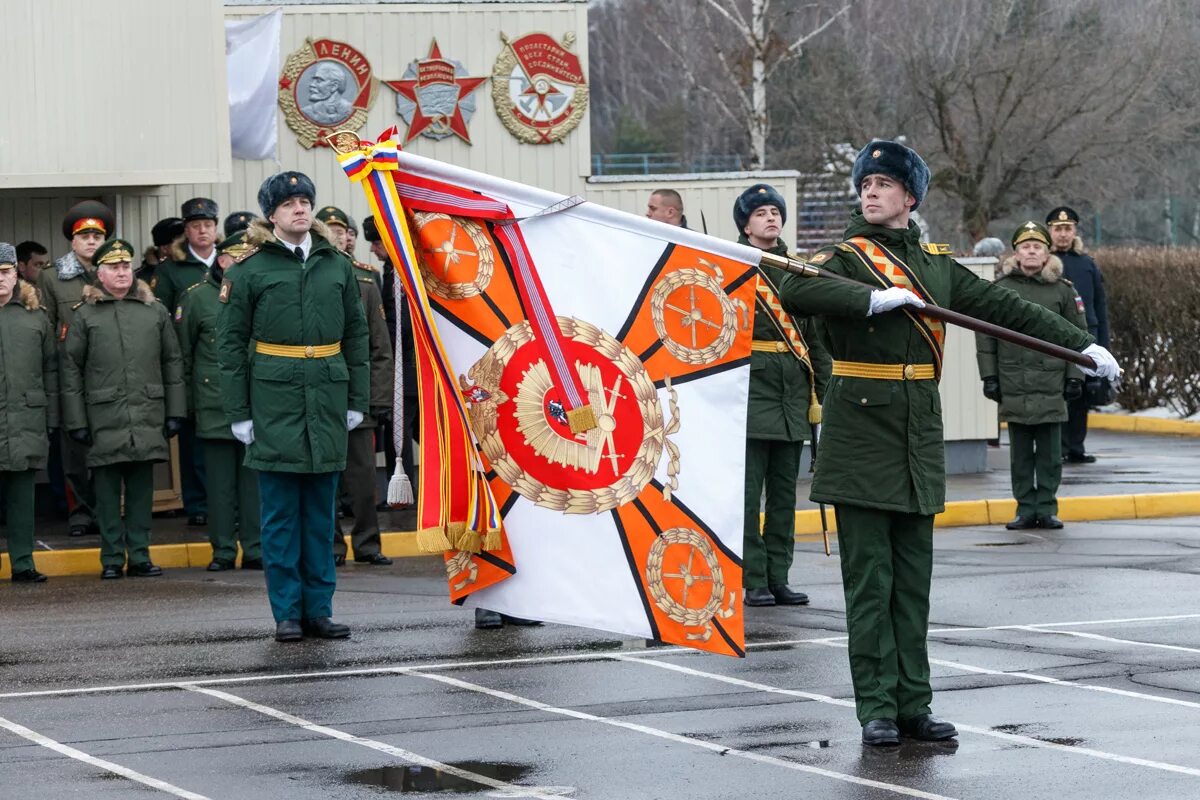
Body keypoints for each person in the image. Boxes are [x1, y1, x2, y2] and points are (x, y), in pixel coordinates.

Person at [777, 140, 1120, 746]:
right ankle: (876, 707)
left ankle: (915, 704)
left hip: (917, 431)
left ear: (910, 196)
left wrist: (1081, 345)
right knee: (869, 581)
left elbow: (1005, 306)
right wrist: (869, 299)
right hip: (860, 429)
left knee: (913, 580)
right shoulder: (846, 259)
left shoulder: (935, 266)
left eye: (884, 184)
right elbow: (792, 290)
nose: (871, 192)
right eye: (866, 184)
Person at [217, 171, 369, 642]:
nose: (300, 209)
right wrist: (240, 412)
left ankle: (319, 608)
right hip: (274, 400)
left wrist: (356, 400)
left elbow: (357, 335)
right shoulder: (249, 270)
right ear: (271, 215)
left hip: (325, 395)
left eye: (304, 201)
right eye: (288, 204)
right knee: (280, 515)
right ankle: (286, 611)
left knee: (322, 515)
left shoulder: (336, 265)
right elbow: (230, 345)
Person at [60, 239, 186, 580]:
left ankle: (141, 555)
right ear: (99, 274)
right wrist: (76, 421)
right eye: (113, 268)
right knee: (106, 491)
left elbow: (172, 361)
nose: (121, 273)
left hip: (147, 412)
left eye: (125, 266)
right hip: (103, 417)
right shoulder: (85, 315)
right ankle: (113, 557)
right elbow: (70, 370)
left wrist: (176, 411)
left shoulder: (154, 310)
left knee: (142, 492)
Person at [734, 184, 830, 608]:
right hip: (751, 394)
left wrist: (822, 391)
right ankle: (752, 577)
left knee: (784, 497)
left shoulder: (799, 269)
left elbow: (815, 338)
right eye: (760, 213)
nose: (770, 218)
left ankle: (779, 576)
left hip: (793, 393)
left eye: (775, 212)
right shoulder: (733, 266)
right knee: (747, 496)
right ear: (745, 224)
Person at [977, 223, 1087, 530]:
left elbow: (1078, 336)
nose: (1031, 251)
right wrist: (989, 376)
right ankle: (1025, 508)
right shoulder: (999, 288)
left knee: (1051, 454)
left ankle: (1047, 508)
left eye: (1037, 246)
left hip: (1052, 382)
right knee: (1021, 455)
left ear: (1047, 252)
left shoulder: (1063, 290)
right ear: (1016, 252)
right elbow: (985, 337)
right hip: (1014, 381)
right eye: (1025, 247)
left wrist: (1074, 376)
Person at [177, 232, 263, 572]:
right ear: (221, 259)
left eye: (247, 257)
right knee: (220, 488)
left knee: (253, 485)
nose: (240, 263)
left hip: (257, 402)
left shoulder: (260, 292)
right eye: (234, 257)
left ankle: (255, 549)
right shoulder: (196, 299)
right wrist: (185, 408)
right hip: (214, 407)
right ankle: (223, 550)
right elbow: (182, 358)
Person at [316, 206, 394, 567]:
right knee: (325, 481)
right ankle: (332, 548)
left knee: (362, 480)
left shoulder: (365, 281)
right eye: (329, 229)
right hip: (320, 397)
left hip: (357, 395)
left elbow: (380, 346)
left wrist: (378, 397)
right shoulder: (311, 278)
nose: (337, 235)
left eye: (341, 230)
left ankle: (367, 544)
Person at [38, 200, 113, 538]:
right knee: (74, 451)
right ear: (72, 240)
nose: (91, 241)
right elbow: (47, 327)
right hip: (71, 377)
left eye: (97, 235)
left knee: (109, 447)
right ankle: (80, 511)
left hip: (110, 374)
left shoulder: (117, 273)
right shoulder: (52, 279)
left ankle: (108, 510)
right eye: (84, 235)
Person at [157, 198, 217, 528]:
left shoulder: (229, 262)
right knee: (194, 440)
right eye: (196, 226)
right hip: (189, 362)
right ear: (187, 231)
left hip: (223, 363)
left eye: (208, 224)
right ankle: (197, 503)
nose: (202, 231)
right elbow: (162, 317)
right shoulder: (172, 270)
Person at [0, 243, 58, 583]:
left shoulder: (35, 315)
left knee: (23, 496)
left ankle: (23, 562)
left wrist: (51, 418)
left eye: (5, 273)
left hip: (25, 417)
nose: (1, 280)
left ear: (16, 273)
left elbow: (51, 369)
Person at [1046, 206, 1110, 463]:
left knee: (1081, 396)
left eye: (1068, 229)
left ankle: (1076, 447)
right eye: (1058, 229)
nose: (1063, 234)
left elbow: (1099, 306)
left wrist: (1104, 343)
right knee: (1058, 393)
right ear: (1049, 231)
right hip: (1053, 335)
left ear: (1075, 231)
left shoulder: (1087, 264)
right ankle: (1058, 448)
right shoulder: (1045, 263)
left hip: (1086, 335)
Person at [140, 218, 184, 286]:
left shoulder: (194, 269)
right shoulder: (141, 281)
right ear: (164, 248)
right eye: (181, 243)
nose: (188, 246)